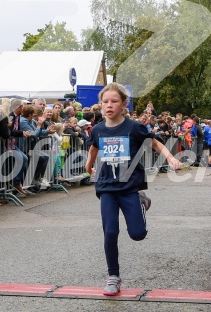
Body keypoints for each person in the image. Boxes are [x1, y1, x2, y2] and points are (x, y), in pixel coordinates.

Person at [85, 83, 182, 296]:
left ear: (123, 104)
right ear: (101, 105)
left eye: (114, 101)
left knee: (138, 234)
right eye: (105, 102)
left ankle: (141, 200)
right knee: (110, 232)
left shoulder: (134, 127)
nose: (109, 106)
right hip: (107, 187)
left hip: (129, 187)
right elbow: (93, 146)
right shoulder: (98, 129)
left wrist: (171, 157)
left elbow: (155, 143)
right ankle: (113, 277)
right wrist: (89, 164)